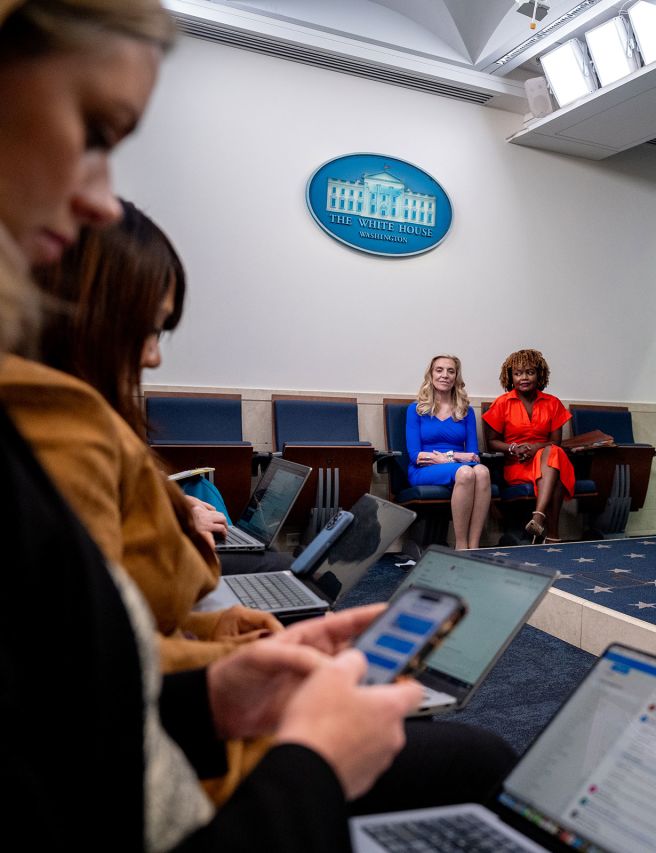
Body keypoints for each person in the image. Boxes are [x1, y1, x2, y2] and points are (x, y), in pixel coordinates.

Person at [0, 2, 511, 848]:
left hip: (184, 734)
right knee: (481, 756)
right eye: (94, 128)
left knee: (474, 474)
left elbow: (68, 700)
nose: (100, 200)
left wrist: (218, 690)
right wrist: (313, 761)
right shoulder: (54, 417)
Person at [10, 198, 281, 679]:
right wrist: (245, 658)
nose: (154, 357)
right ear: (88, 312)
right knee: (454, 751)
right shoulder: (66, 422)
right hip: (146, 728)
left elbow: (116, 625)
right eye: (150, 328)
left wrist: (210, 627)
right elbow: (91, 663)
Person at [483, 348, 575, 543]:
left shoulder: (553, 403)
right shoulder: (502, 403)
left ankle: (538, 517)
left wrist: (535, 448)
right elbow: (491, 442)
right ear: (510, 377)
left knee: (553, 452)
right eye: (517, 373)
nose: (523, 378)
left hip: (546, 461)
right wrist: (512, 448)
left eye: (529, 372)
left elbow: (555, 441)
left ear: (539, 374)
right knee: (555, 471)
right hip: (518, 466)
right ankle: (552, 535)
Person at [406, 354, 491, 549]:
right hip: (423, 471)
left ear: (456, 377)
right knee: (466, 472)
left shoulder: (466, 411)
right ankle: (461, 546)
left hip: (451, 465)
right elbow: (416, 456)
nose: (445, 375)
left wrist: (446, 458)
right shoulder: (416, 409)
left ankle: (474, 546)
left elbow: (473, 455)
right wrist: (453, 458)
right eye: (439, 370)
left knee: (482, 471)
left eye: (450, 371)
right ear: (431, 375)